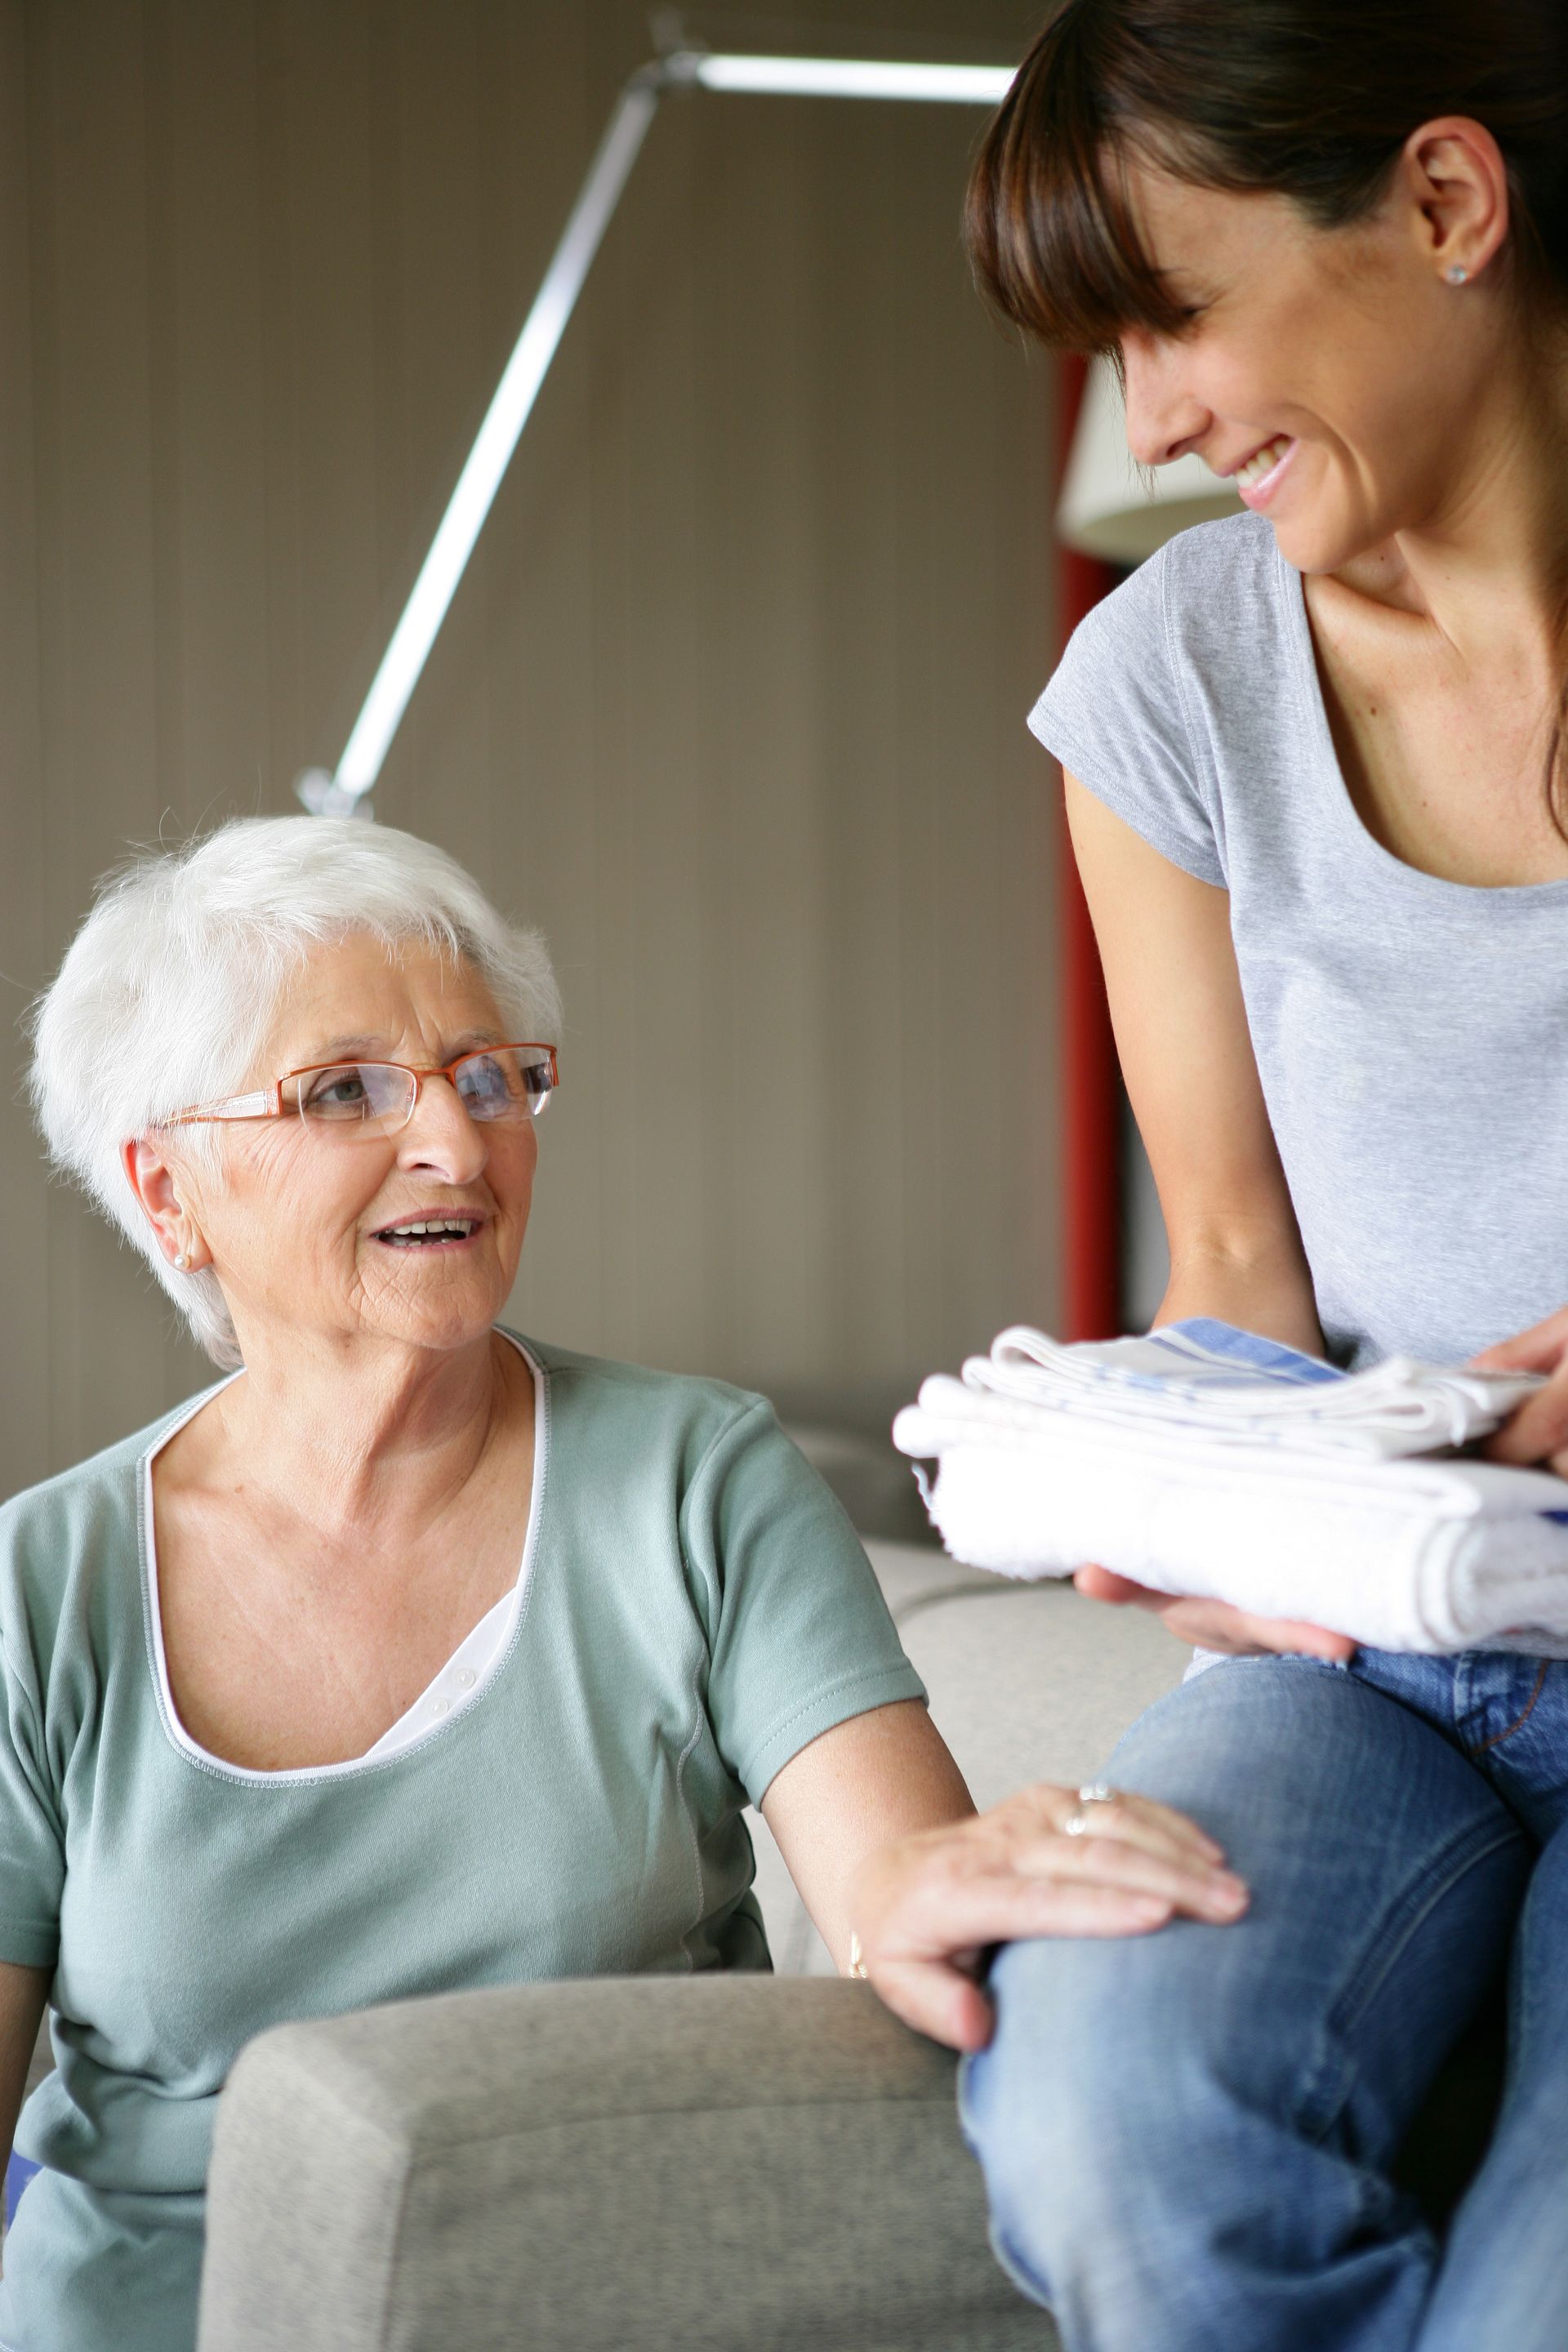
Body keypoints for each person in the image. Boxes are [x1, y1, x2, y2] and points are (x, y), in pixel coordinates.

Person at [0, 814, 1239, 2352]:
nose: (455, 1142)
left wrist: (971, 1891)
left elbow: (888, 1889)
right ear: (169, 1192)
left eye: (488, 1075)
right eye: (346, 1092)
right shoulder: (38, 1590)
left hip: (619, 2292)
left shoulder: (699, 1480)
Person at [849, 4, 1568, 2347]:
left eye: (1174, 313)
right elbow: (1239, 1258)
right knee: (1113, 2139)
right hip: (1381, 1642)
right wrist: (1205, 1489)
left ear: (1446, 207)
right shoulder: (1169, 686)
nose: (1149, 420)